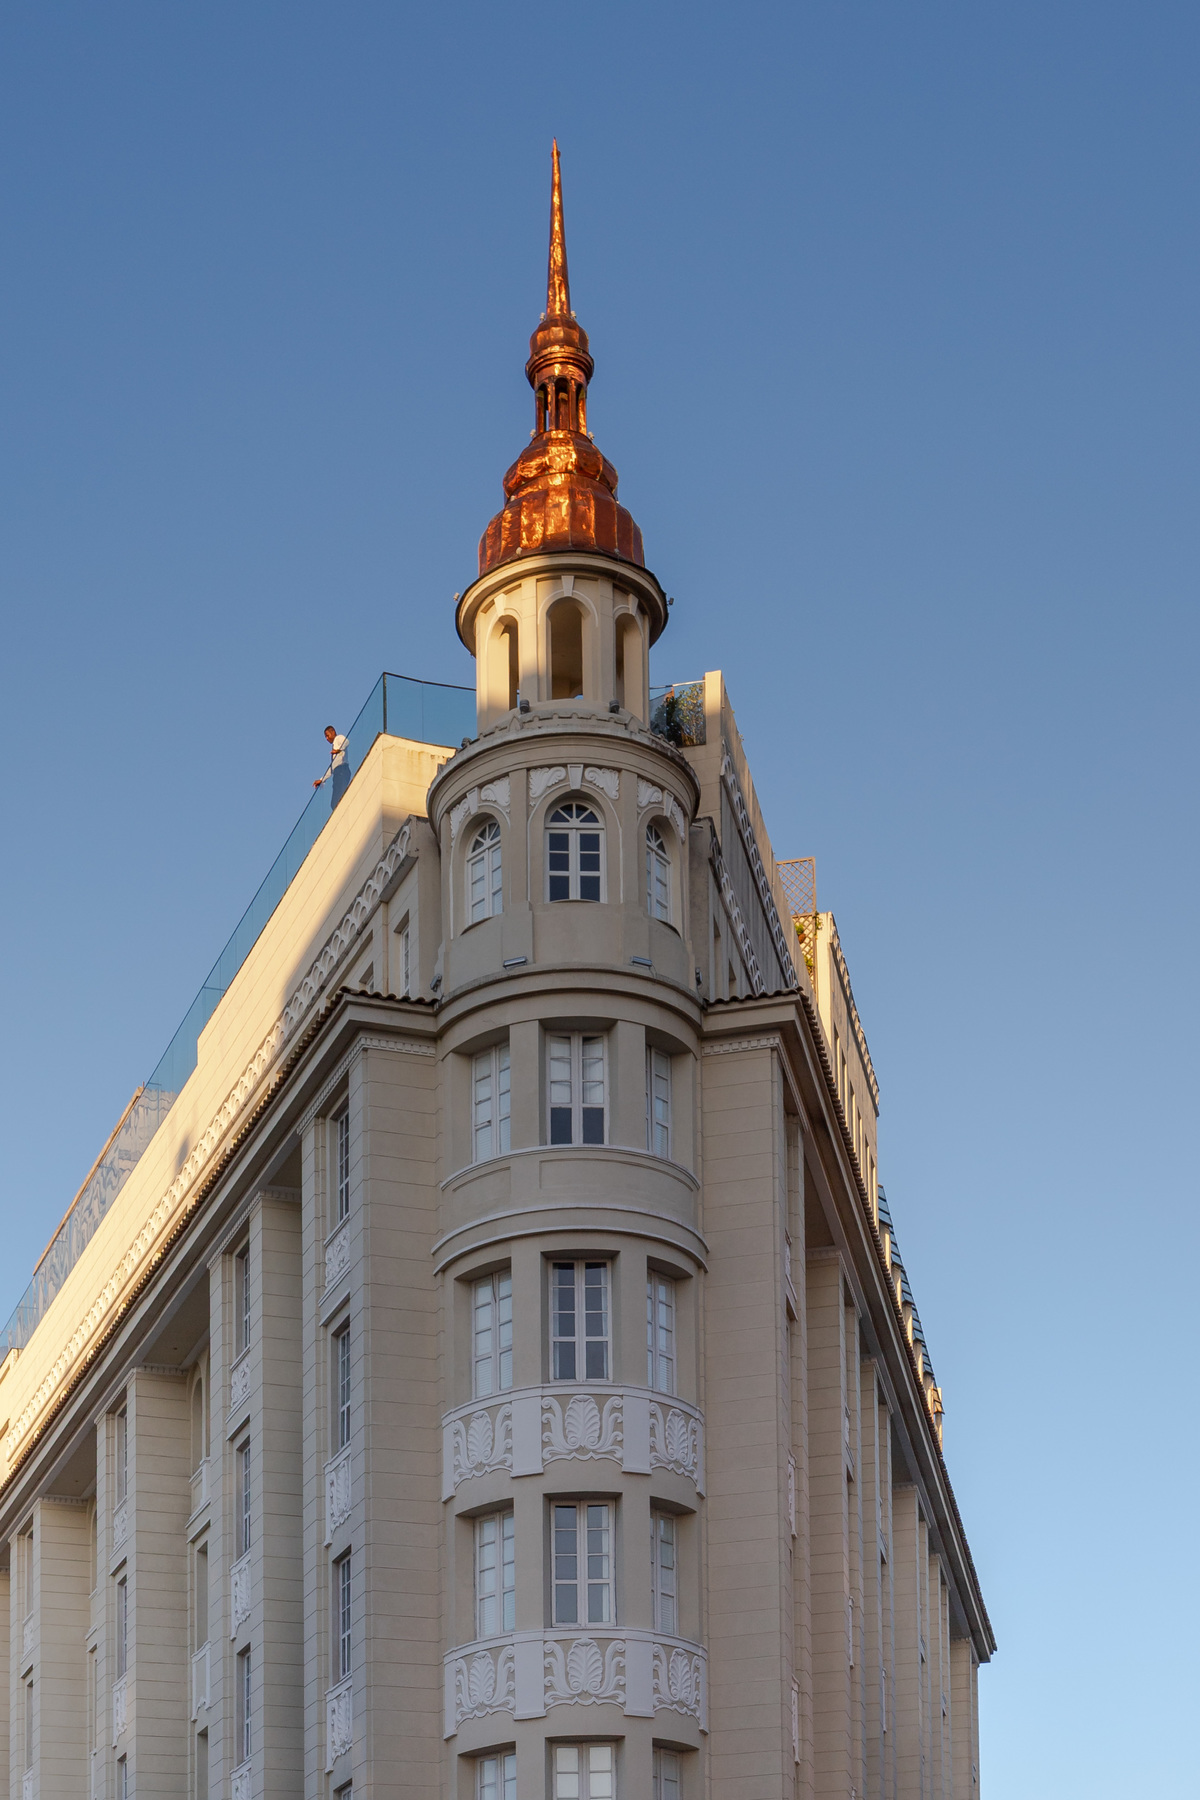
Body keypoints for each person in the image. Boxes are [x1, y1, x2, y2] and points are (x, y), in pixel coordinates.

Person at [313, 725, 351, 808]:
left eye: (327, 735)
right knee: (334, 802)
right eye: (325, 737)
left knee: (338, 799)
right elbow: (332, 768)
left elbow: (346, 741)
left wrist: (339, 750)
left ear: (333, 732)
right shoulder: (334, 748)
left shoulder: (338, 738)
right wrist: (322, 780)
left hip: (342, 770)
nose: (327, 738)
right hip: (337, 773)